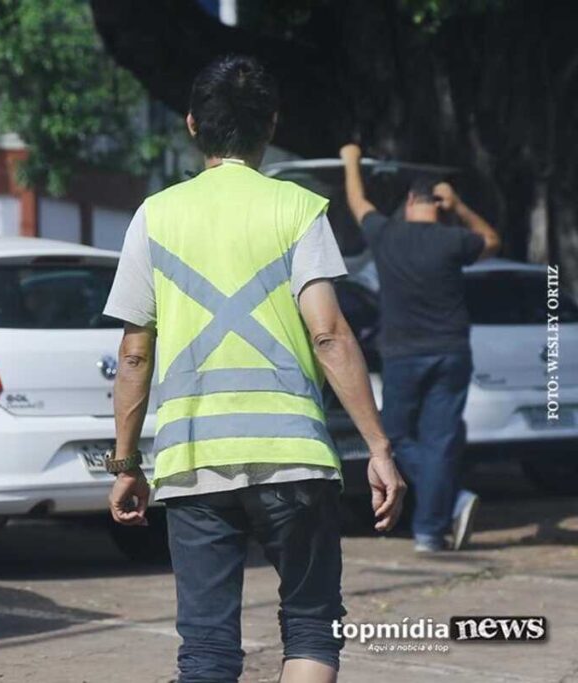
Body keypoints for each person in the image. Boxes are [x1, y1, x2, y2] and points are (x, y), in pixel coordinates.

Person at [102, 55, 406, 683]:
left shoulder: (154, 216)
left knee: (208, 650)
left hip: (193, 459)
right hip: (293, 456)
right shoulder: (298, 209)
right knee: (311, 627)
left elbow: (135, 351)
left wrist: (127, 464)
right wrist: (379, 447)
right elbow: (328, 333)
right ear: (271, 124)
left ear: (192, 124)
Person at [339, 143, 501, 553]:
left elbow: (357, 200)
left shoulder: (387, 234)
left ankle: (450, 504)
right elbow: (492, 240)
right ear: (438, 203)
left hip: (403, 354)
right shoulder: (453, 239)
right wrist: (461, 205)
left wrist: (351, 160)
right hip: (451, 351)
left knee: (394, 435)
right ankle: (431, 530)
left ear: (410, 200)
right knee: (441, 440)